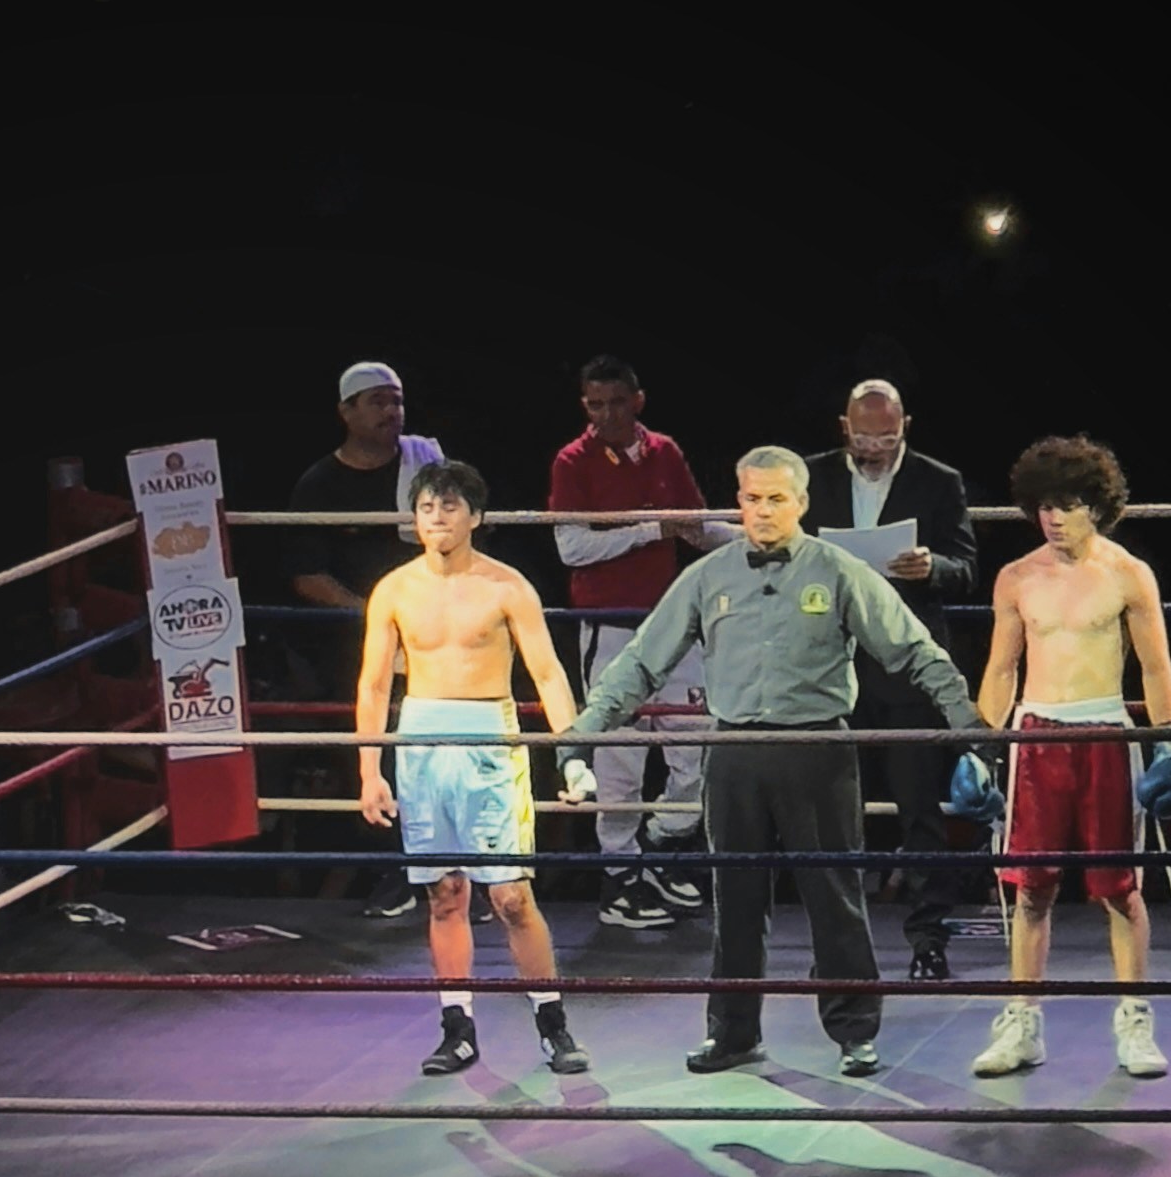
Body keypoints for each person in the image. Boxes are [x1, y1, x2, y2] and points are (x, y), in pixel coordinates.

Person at [564, 446, 980, 1077]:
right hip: (734, 751)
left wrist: (968, 724)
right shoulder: (708, 575)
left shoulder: (838, 570)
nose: (762, 511)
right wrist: (581, 735)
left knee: (835, 898)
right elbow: (642, 661)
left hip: (817, 751)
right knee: (734, 900)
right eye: (753, 499)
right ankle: (733, 1033)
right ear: (739, 502)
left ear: (802, 503)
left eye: (776, 499)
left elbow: (913, 649)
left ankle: (854, 1031)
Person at [356, 464, 600, 1078]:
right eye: (427, 507)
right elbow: (375, 683)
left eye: (449, 507)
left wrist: (572, 755)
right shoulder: (393, 590)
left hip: (489, 736)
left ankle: (553, 1025)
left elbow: (547, 674)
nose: (437, 518)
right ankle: (457, 1030)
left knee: (512, 896)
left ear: (476, 517)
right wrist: (369, 769)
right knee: (443, 894)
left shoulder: (506, 587)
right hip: (420, 740)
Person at [968, 437, 1171, 1082]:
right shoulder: (1017, 577)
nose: (1053, 518)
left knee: (1120, 890)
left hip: (1106, 737)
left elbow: (1155, 668)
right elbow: (1001, 668)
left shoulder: (1127, 574)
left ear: (1096, 506)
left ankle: (1135, 1021)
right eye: (1044, 506)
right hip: (1036, 736)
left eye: (1066, 505)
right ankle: (1021, 1021)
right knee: (1031, 888)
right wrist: (980, 747)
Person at [801, 379, 981, 982]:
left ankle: (929, 939)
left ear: (905, 428)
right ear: (844, 428)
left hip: (905, 665)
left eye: (887, 436)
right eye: (864, 436)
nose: (874, 448)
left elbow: (967, 568)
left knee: (919, 808)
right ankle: (836, 946)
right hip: (831, 666)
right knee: (831, 813)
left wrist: (933, 567)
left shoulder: (938, 481)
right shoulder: (811, 477)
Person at [547, 356, 719, 929]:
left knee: (696, 744)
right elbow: (572, 549)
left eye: (616, 403)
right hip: (611, 627)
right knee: (619, 759)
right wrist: (651, 528)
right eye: (595, 405)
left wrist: (766, 536)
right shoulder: (572, 461)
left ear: (637, 401)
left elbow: (696, 527)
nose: (605, 415)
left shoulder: (665, 451)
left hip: (673, 625)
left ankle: (663, 847)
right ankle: (620, 878)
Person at [273, 360, 446, 917]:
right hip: (358, 645)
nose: (391, 411)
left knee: (443, 752)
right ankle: (398, 871)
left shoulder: (429, 469)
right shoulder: (319, 484)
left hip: (435, 633)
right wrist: (375, 613)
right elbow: (306, 575)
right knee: (380, 758)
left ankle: (451, 869)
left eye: (396, 400)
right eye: (377, 401)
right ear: (346, 412)